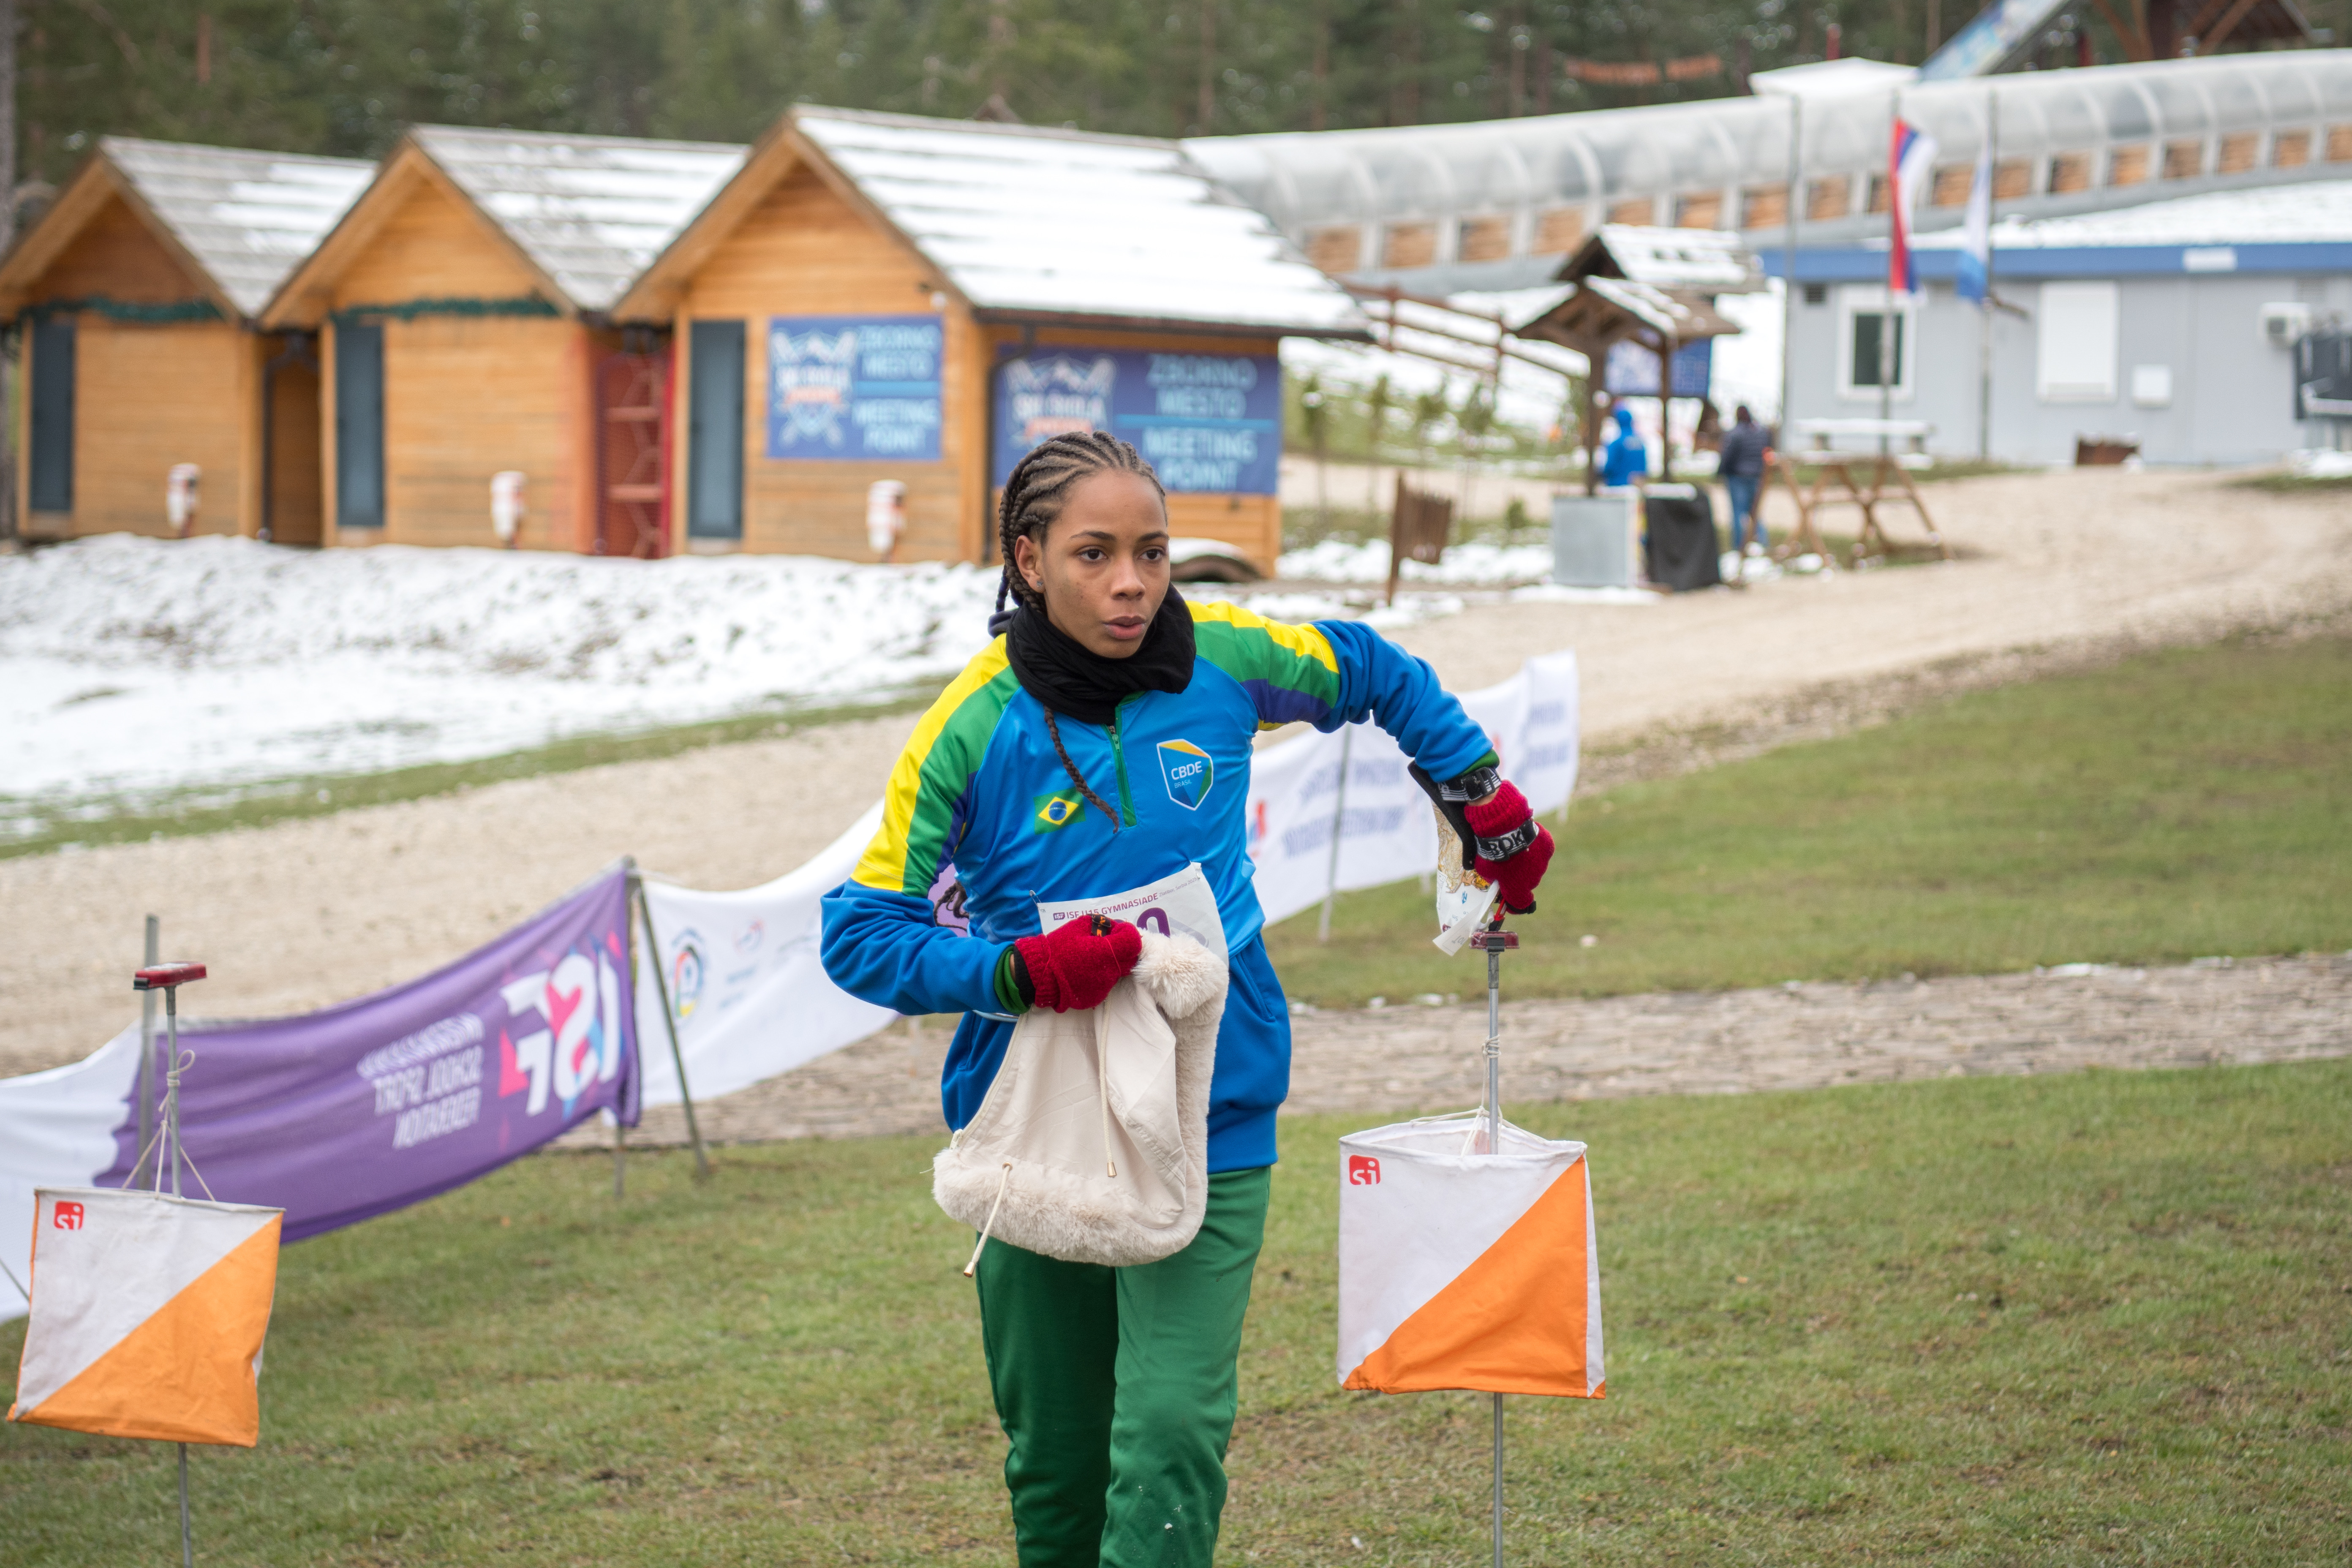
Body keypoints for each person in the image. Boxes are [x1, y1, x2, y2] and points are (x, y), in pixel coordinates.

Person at [820, 431, 1555, 1568]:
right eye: (1095, 554)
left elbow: (1373, 671)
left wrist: (1480, 798)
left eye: (1153, 553)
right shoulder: (973, 725)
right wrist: (1013, 972)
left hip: (1215, 1097)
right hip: (1037, 1114)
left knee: (1169, 1431)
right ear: (1027, 561)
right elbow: (860, 935)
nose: (1131, 584)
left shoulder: (1224, 654)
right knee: (1056, 1460)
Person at [1717, 404, 1772, 556]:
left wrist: (1721, 472)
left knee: (1738, 512)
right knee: (1755, 513)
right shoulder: (1761, 433)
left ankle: (1739, 547)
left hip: (1738, 476)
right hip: (1757, 476)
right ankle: (1762, 544)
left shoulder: (1735, 434)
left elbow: (1728, 456)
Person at [1598, 402, 1648, 487]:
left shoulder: (1617, 443)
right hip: (1637, 488)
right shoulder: (1640, 443)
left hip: (1618, 487)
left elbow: (1609, 467)